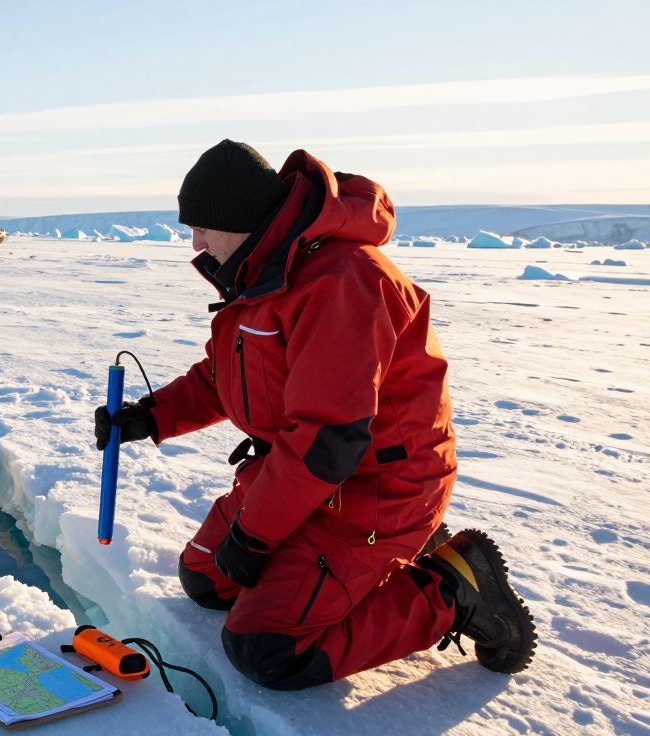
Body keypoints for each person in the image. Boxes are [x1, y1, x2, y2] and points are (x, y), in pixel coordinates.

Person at [94, 140, 535, 690]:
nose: (196, 244)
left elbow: (327, 439)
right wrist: (152, 416)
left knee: (267, 649)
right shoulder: (264, 269)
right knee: (207, 579)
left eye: (203, 227)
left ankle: (455, 588)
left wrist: (254, 536)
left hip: (375, 489)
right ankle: (375, 561)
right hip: (304, 475)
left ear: (242, 219)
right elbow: (228, 374)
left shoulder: (343, 282)